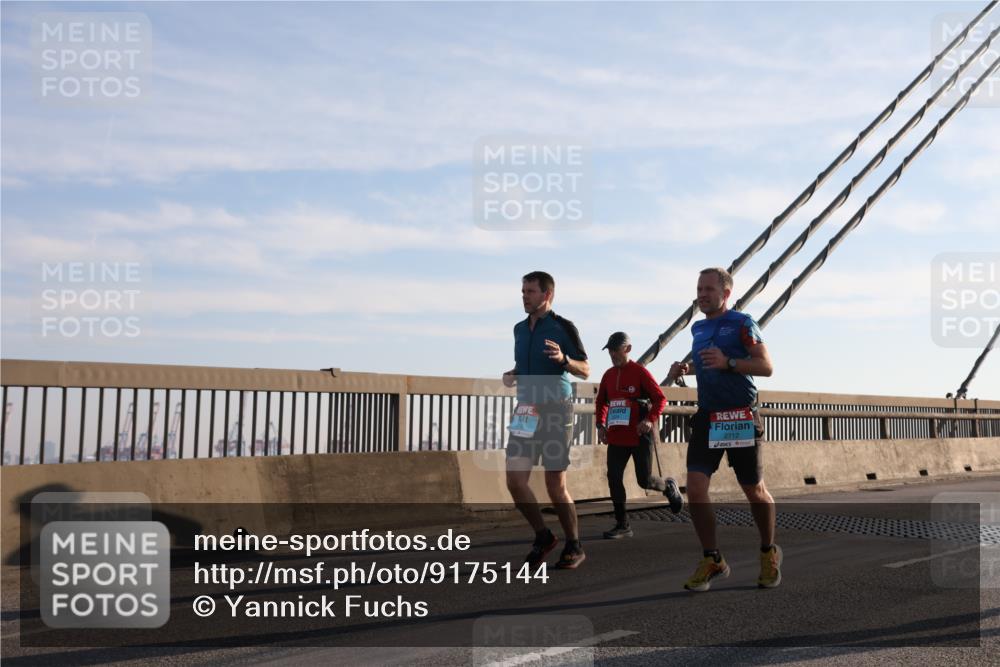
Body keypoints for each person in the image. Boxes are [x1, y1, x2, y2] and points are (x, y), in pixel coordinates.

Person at [666, 267, 780, 591]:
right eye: (699, 289)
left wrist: (729, 362)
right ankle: (712, 557)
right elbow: (707, 360)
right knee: (696, 489)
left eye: (708, 290)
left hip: (741, 416)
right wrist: (686, 367)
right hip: (708, 416)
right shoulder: (698, 328)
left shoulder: (743, 324)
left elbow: (766, 366)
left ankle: (768, 551)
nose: (702, 295)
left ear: (726, 293)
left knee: (754, 490)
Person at [503, 271, 590, 570]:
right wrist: (513, 373)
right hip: (526, 410)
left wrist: (564, 360)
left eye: (530, 291)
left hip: (556, 409)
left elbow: (586, 369)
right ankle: (543, 536)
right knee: (515, 480)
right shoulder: (518, 329)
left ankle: (574, 544)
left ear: (547, 295)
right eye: (523, 290)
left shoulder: (563, 327)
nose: (524, 295)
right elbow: (523, 363)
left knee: (555, 485)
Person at [595, 331, 684, 539]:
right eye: (609, 351)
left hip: (638, 434)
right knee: (614, 477)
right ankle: (622, 524)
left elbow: (660, 398)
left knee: (644, 480)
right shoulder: (608, 375)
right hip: (617, 435)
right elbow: (601, 402)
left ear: (627, 349)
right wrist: (600, 424)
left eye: (615, 351)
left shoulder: (640, 372)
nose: (612, 355)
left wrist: (649, 420)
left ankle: (668, 487)